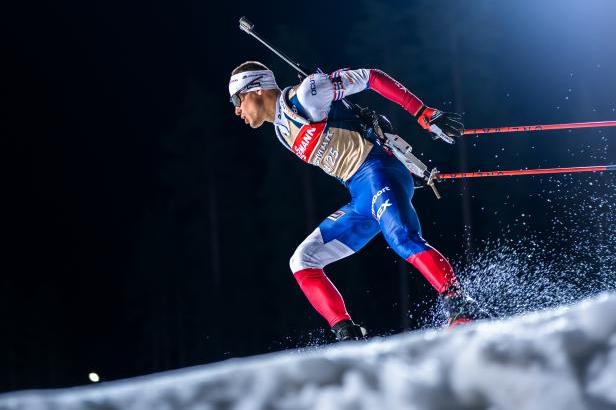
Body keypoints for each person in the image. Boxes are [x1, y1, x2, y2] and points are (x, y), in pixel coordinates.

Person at [228, 61, 487, 341]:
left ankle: (460, 307)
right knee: (302, 260)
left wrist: (422, 112)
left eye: (237, 99)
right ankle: (348, 335)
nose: (237, 110)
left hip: (379, 173)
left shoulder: (307, 94)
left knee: (401, 237)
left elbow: (372, 77)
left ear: (255, 89)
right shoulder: (281, 131)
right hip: (361, 196)